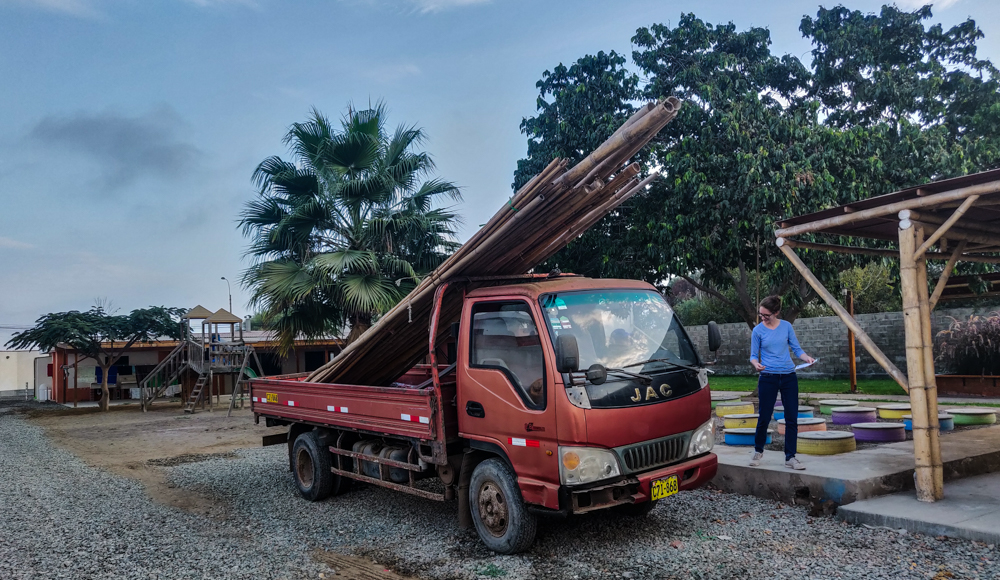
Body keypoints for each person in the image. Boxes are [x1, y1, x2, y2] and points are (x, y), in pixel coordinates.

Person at [748, 295, 815, 470]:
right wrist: (756, 365)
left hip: (788, 376)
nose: (763, 318)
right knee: (764, 416)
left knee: (792, 417)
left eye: (766, 315)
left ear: (776, 312)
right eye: (760, 314)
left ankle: (790, 457)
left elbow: (796, 348)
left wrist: (806, 357)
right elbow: (753, 356)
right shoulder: (758, 331)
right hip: (768, 377)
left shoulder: (786, 326)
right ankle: (758, 450)